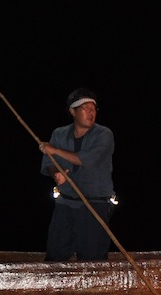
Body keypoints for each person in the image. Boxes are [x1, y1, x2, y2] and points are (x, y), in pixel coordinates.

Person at [38, 87, 116, 261]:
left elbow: (86, 160)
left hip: (95, 203)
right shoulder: (59, 133)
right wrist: (56, 175)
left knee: (91, 257)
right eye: (85, 109)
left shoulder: (104, 134)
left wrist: (55, 150)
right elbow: (50, 163)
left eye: (93, 109)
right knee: (55, 254)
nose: (91, 113)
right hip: (66, 202)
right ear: (73, 111)